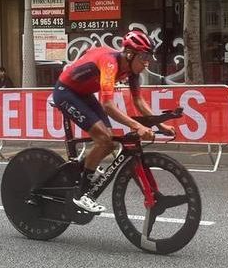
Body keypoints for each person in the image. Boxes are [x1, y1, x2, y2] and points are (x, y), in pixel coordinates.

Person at [53, 29, 175, 213]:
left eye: (148, 57)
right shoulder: (110, 63)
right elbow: (108, 105)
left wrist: (161, 124)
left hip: (83, 94)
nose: (146, 62)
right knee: (104, 139)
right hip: (66, 92)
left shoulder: (132, 72)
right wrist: (137, 125)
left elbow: (139, 101)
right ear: (129, 54)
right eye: (143, 57)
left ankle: (84, 170)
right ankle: (81, 195)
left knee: (109, 143)